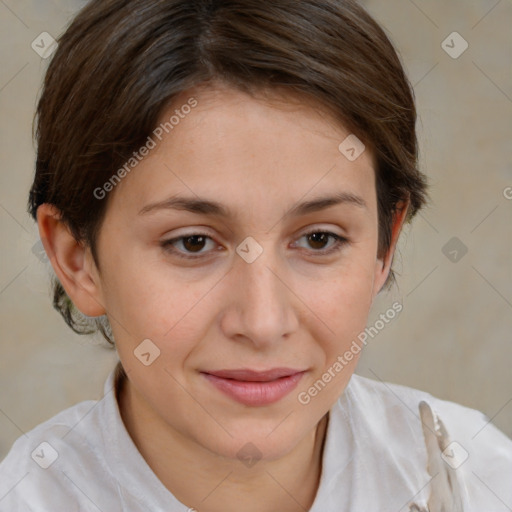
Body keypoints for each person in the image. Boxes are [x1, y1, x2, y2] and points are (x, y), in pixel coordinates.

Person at [1, 0, 511, 510]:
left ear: (385, 245)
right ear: (77, 260)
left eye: (319, 239)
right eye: (193, 243)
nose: (263, 323)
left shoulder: (481, 479)